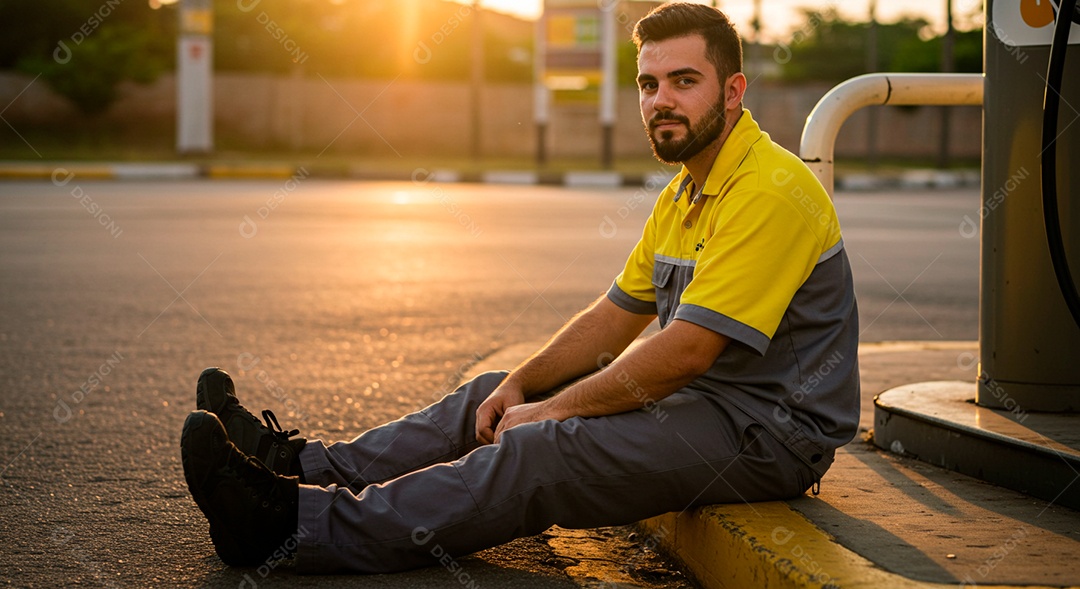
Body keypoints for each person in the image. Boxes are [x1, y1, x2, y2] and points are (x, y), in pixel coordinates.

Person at [180, 2, 859, 574]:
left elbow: (685, 351)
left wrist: (556, 410)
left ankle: (291, 527)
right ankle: (300, 465)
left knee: (540, 449)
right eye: (649, 84)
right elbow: (613, 317)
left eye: (684, 81)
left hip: (768, 433)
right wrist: (524, 385)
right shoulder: (686, 191)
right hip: (704, 403)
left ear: (733, 91)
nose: (661, 100)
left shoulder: (768, 190)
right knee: (494, 393)